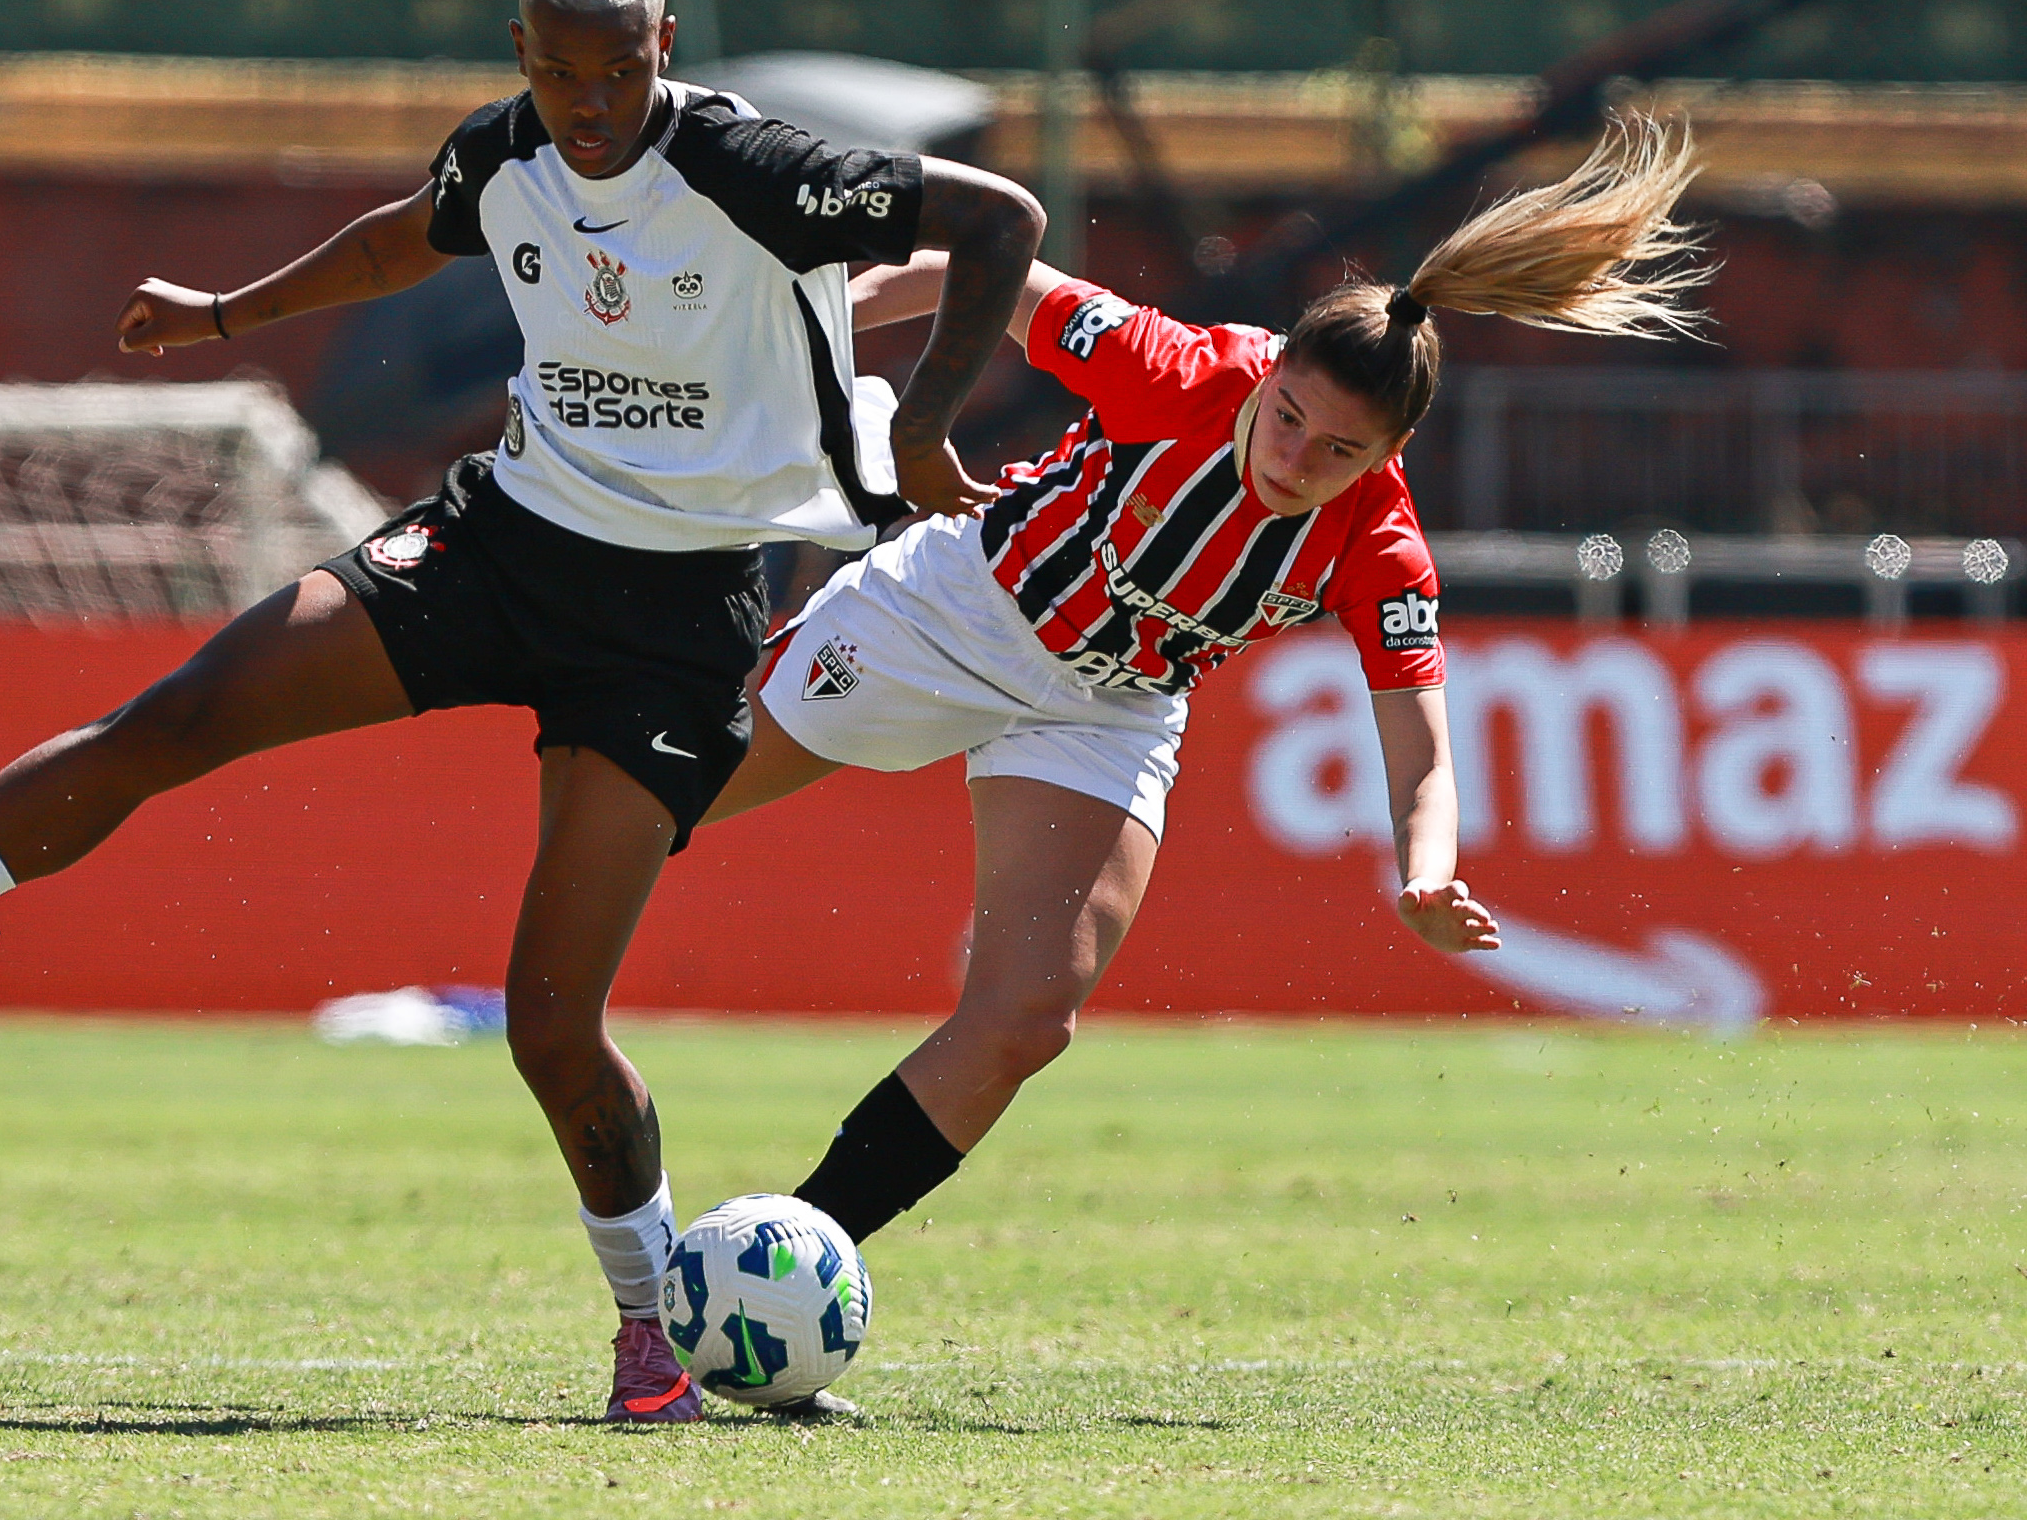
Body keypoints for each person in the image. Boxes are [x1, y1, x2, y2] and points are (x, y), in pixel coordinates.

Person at [0, 0, 1044, 1423]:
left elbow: (999, 218)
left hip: (673, 624)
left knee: (547, 1021)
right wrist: (224, 314)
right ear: (518, 54)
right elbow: (407, 234)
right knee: (184, 713)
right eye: (553, 72)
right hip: (503, 544)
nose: (583, 106)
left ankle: (650, 1331)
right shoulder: (507, 151)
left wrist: (922, 425)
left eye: (612, 72)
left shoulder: (754, 166)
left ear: (662, 50)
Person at [700, 115, 1713, 1250]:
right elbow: (982, 269)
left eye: (1337, 452)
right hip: (956, 610)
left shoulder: (1378, 547)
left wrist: (1426, 877)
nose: (1292, 460)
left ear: (1387, 460)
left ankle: (789, 1253)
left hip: (1110, 703)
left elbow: (1420, 748)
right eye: (1286, 417)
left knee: (1027, 1016)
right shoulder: (1170, 369)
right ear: (1268, 369)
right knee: (665, 802)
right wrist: (796, 338)